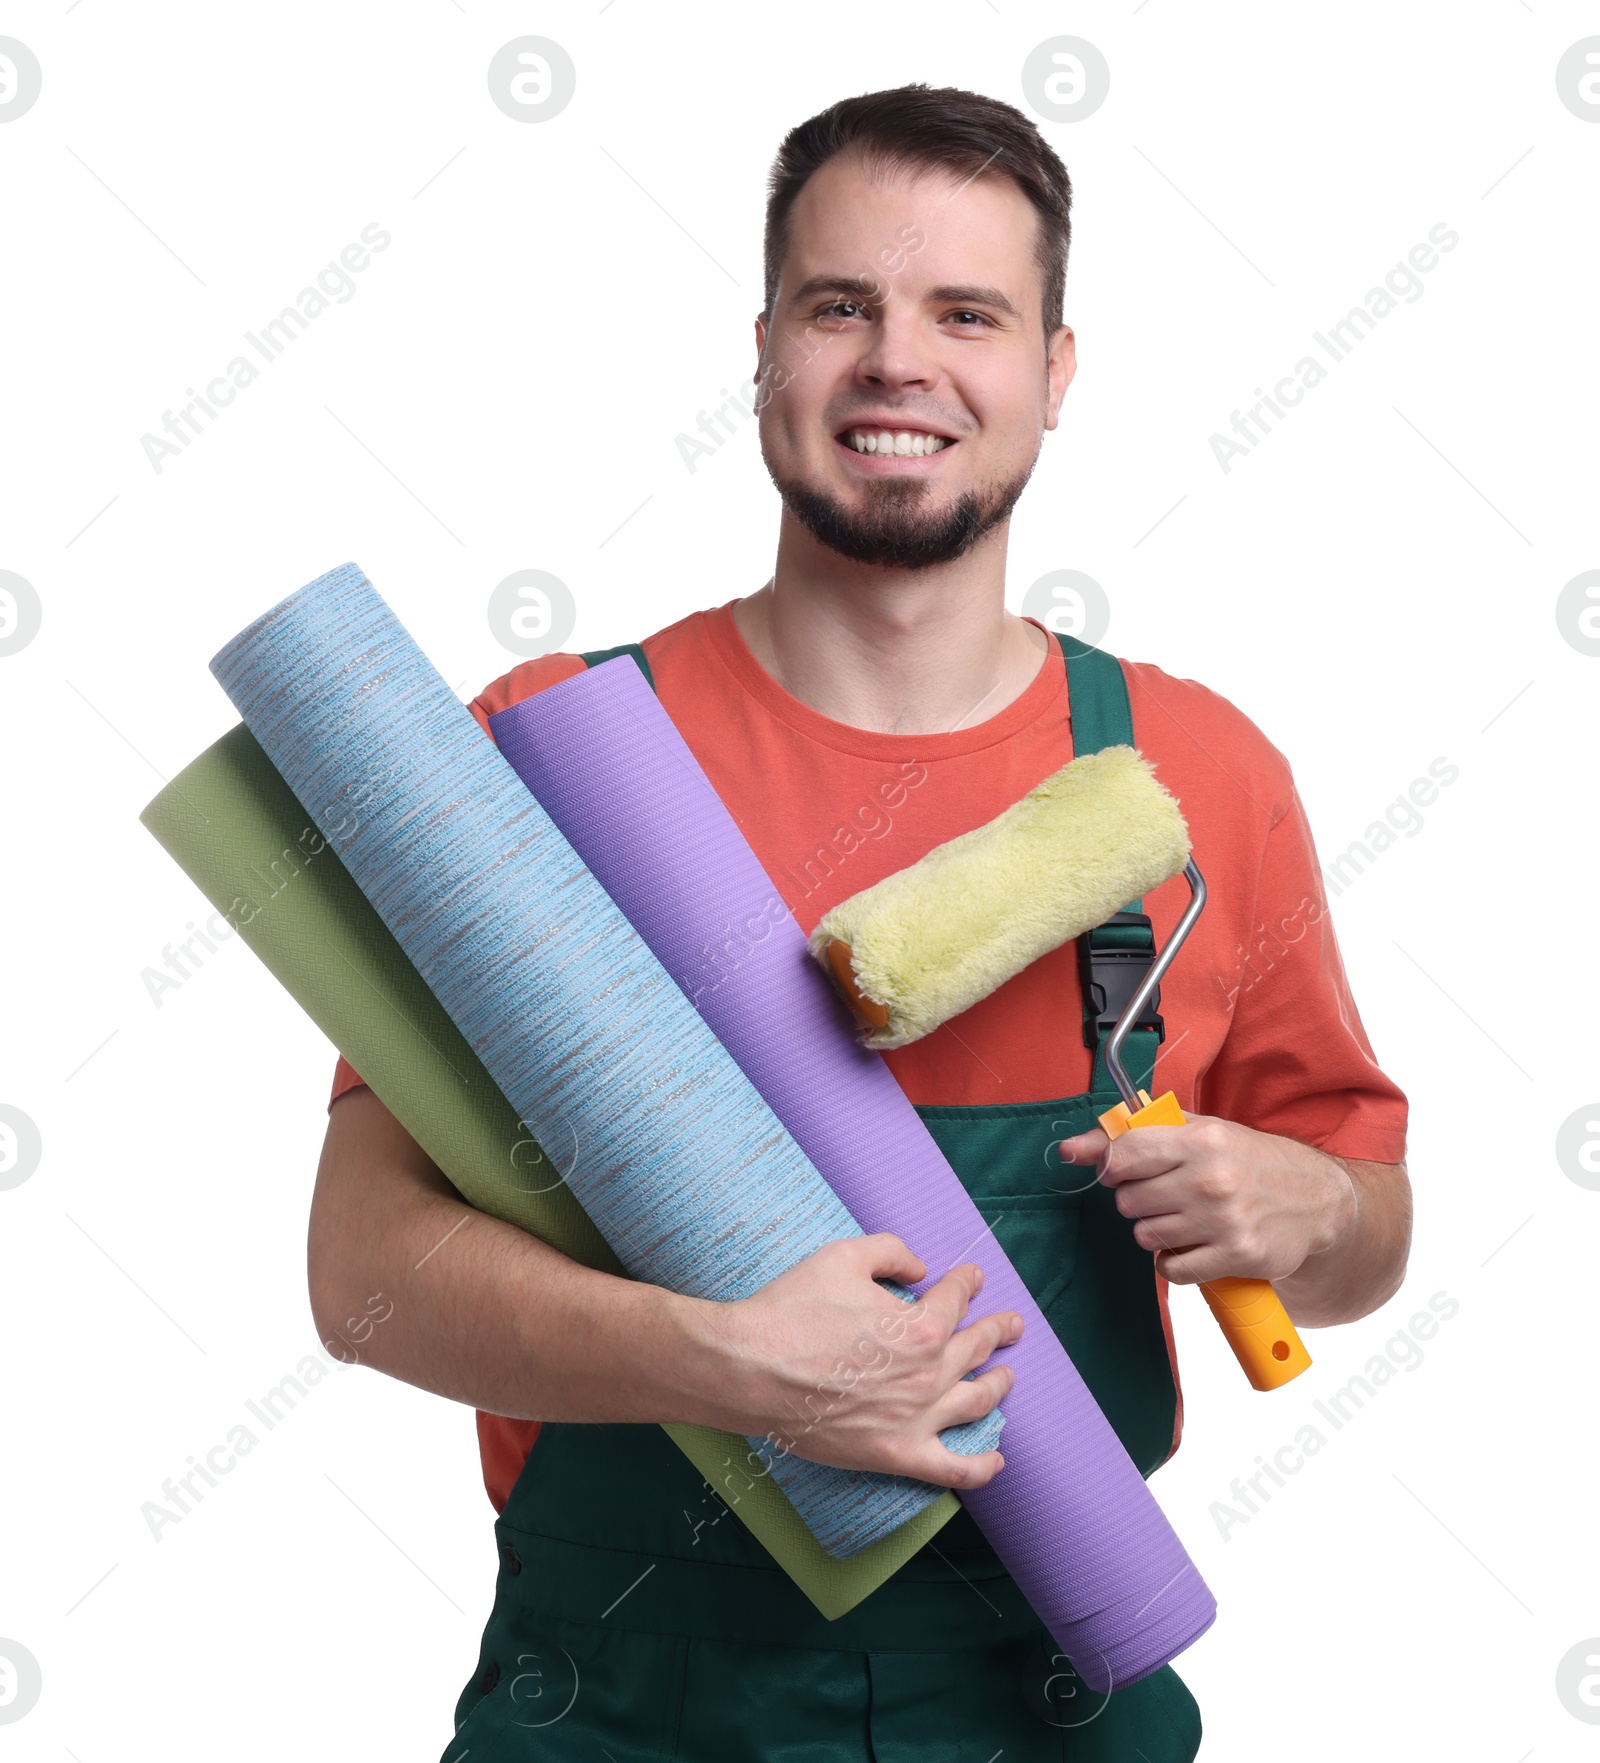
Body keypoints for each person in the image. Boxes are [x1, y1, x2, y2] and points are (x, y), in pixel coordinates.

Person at [309, 83, 1411, 1760]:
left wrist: (1311, 1208)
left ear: (1051, 372)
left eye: (967, 313)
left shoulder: (1191, 773)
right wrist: (723, 1362)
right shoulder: (554, 760)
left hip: (1056, 1676)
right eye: (844, 306)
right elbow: (363, 1277)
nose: (901, 362)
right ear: (764, 352)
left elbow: (1370, 1236)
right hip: (618, 1702)